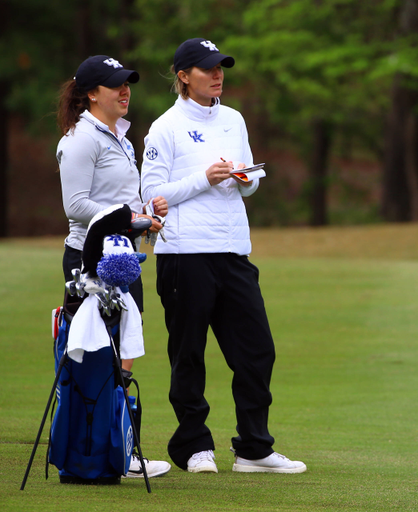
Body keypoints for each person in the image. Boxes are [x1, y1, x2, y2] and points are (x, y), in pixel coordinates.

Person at [141, 38, 307, 474]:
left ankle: (253, 449)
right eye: (207, 68)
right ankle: (194, 447)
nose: (218, 74)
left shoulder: (234, 119)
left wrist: (243, 179)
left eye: (221, 67)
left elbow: (248, 179)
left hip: (233, 250)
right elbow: (151, 195)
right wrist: (204, 178)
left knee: (257, 351)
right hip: (185, 254)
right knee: (189, 355)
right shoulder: (165, 127)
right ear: (183, 76)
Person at [56, 54, 171, 478]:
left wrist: (144, 209)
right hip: (90, 259)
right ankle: (103, 450)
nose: (125, 90)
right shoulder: (81, 138)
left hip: (121, 255)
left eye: (127, 83)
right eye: (115, 85)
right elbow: (76, 205)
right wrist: (130, 217)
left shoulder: (119, 136)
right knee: (100, 354)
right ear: (91, 94)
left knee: (124, 352)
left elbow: (115, 200)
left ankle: (122, 449)